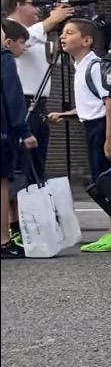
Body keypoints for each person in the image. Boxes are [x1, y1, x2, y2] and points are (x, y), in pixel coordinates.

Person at [43, 19, 111, 251]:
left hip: (103, 128)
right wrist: (65, 114)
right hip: (95, 126)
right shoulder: (80, 66)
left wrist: (109, 137)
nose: (63, 37)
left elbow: (110, 102)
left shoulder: (95, 66)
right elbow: (90, 105)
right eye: (62, 33)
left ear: (87, 40)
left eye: (70, 33)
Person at [2, 0, 74, 183]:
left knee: (37, 163)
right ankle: (18, 210)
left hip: (39, 105)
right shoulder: (7, 29)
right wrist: (52, 20)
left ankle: (35, 208)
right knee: (22, 165)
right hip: (21, 104)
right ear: (18, 5)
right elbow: (25, 37)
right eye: (33, 4)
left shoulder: (37, 34)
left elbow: (52, 57)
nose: (38, 10)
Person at [1, 22, 39, 259]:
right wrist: (24, 131)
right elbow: (12, 96)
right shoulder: (4, 58)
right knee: (2, 182)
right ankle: (3, 240)